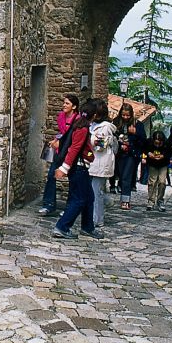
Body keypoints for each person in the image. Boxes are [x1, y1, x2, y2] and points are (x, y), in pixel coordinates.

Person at [52, 99, 103, 240]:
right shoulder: (83, 128)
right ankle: (62, 227)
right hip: (79, 168)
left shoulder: (80, 126)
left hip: (80, 168)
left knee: (88, 197)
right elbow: (74, 148)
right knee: (79, 199)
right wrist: (64, 168)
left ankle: (87, 227)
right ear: (94, 116)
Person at [38, 94, 80, 216]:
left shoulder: (77, 120)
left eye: (67, 103)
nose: (64, 105)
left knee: (73, 179)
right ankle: (49, 205)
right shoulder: (61, 117)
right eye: (64, 103)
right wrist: (56, 140)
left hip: (70, 153)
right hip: (59, 153)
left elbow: (72, 137)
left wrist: (60, 143)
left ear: (74, 106)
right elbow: (62, 133)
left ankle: (69, 208)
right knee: (51, 176)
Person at [87, 98, 116, 227]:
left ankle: (97, 219)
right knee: (92, 190)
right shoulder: (92, 125)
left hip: (101, 162)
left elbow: (101, 145)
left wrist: (88, 140)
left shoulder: (105, 127)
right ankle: (106, 201)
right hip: (92, 161)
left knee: (96, 192)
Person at [114, 103, 146, 211]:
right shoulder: (116, 123)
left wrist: (135, 133)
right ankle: (123, 195)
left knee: (126, 176)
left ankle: (125, 200)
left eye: (128, 115)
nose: (126, 117)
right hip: (120, 154)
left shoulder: (138, 125)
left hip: (132, 154)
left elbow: (143, 141)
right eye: (123, 115)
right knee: (121, 175)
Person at [142, 131, 171, 211]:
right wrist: (148, 153)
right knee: (152, 182)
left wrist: (163, 156)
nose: (157, 145)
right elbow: (143, 149)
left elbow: (169, 153)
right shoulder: (148, 142)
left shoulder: (166, 143)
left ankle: (160, 200)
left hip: (163, 164)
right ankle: (151, 201)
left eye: (159, 144)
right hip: (152, 163)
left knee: (162, 182)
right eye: (156, 143)